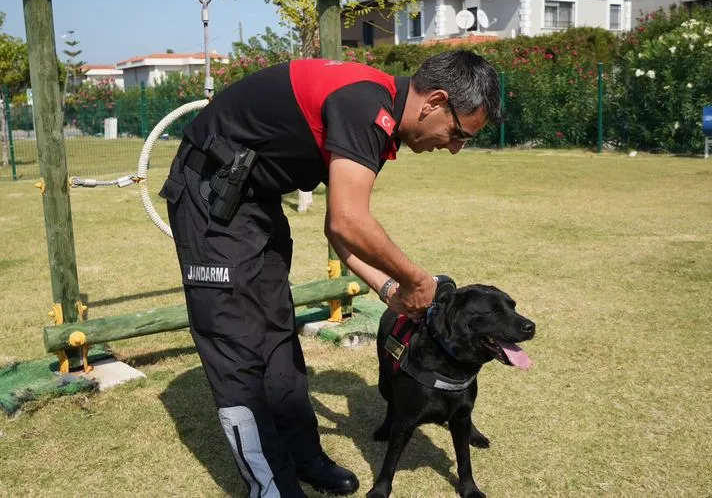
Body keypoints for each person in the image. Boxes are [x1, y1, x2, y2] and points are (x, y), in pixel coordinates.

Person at [160, 50, 502, 497]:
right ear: (435, 101)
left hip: (253, 198)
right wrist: (419, 281)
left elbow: (338, 227)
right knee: (237, 344)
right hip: (210, 195)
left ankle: (304, 457)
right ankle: (273, 487)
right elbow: (348, 222)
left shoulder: (382, 118)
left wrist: (386, 288)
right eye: (458, 133)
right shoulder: (364, 105)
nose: (454, 147)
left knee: (276, 334)